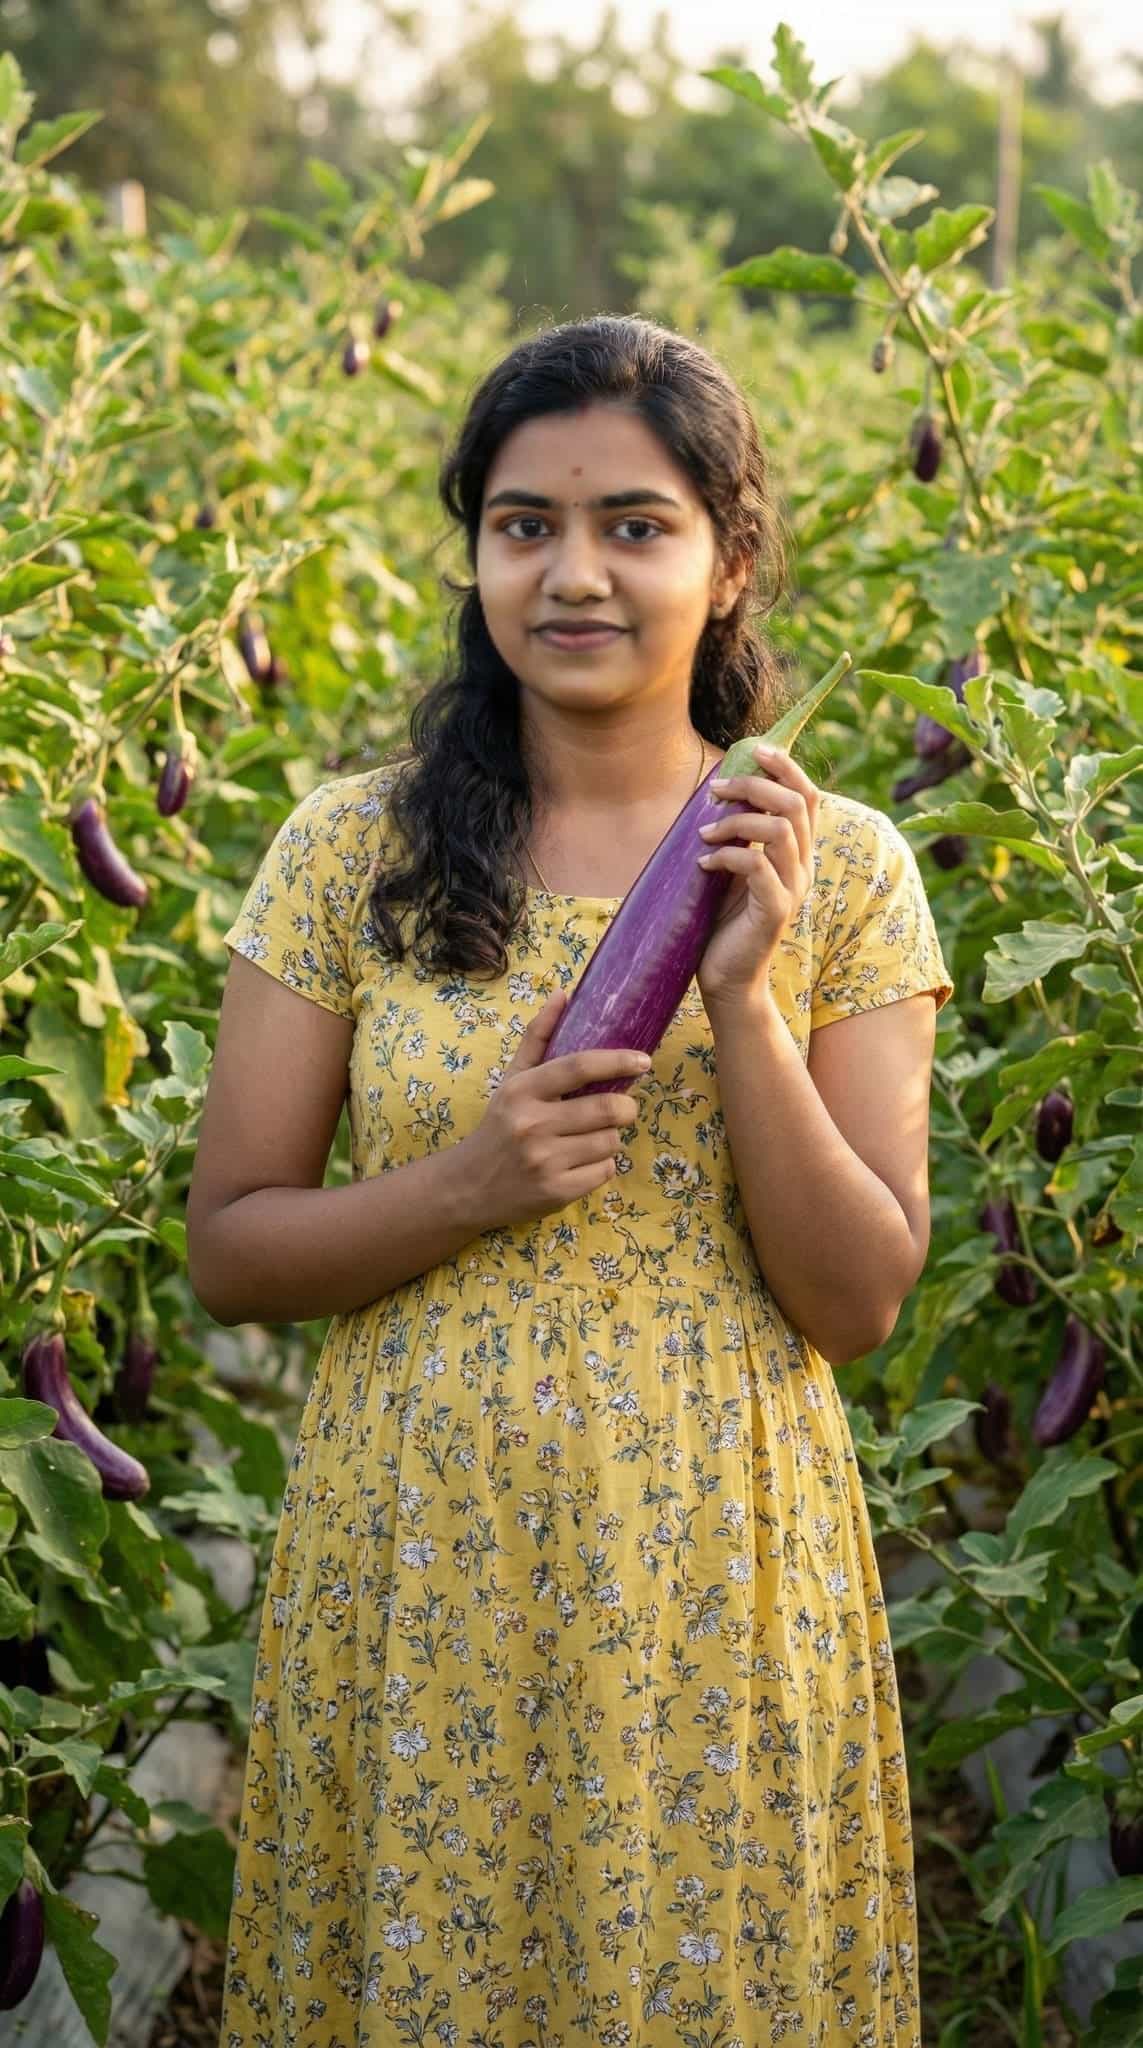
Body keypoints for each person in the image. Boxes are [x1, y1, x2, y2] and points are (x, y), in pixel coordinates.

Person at [189, 313, 953, 2047]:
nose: (574, 575)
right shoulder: (349, 850)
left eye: (635, 524)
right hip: (423, 1555)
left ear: (731, 555)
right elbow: (231, 1254)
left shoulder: (840, 866)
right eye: (525, 524)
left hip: (713, 1559)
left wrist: (743, 994)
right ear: (474, 552)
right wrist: (471, 1182)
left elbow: (857, 1298)